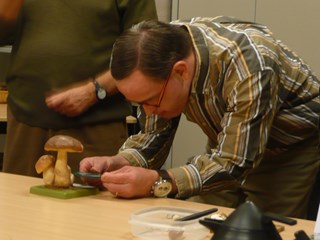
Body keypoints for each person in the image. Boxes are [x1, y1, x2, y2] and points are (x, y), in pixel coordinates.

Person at [79, 17, 320, 219]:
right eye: (138, 103)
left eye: (150, 101)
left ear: (181, 71)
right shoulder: (161, 50)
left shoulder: (250, 66)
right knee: (201, 220)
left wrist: (158, 181)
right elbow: (153, 134)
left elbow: (234, 162)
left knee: (265, 229)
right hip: (228, 139)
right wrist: (120, 162)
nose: (148, 111)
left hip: (288, 149)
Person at [0, 0, 158, 176]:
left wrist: (95, 91)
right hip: (25, 125)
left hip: (95, 127)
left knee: (94, 202)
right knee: (19, 202)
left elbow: (145, 52)